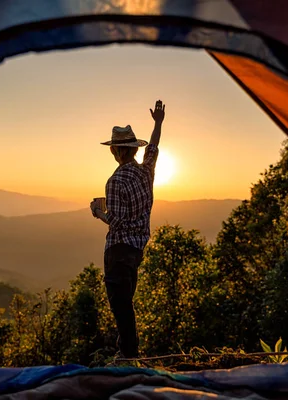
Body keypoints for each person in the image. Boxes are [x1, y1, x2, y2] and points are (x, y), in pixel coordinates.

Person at [90, 100, 165, 358]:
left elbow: (116, 222)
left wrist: (98, 212)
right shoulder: (147, 172)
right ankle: (127, 353)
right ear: (132, 150)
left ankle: (128, 356)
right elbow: (153, 148)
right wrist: (158, 123)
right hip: (136, 251)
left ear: (115, 151)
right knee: (126, 304)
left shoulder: (115, 181)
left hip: (118, 252)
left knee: (120, 307)